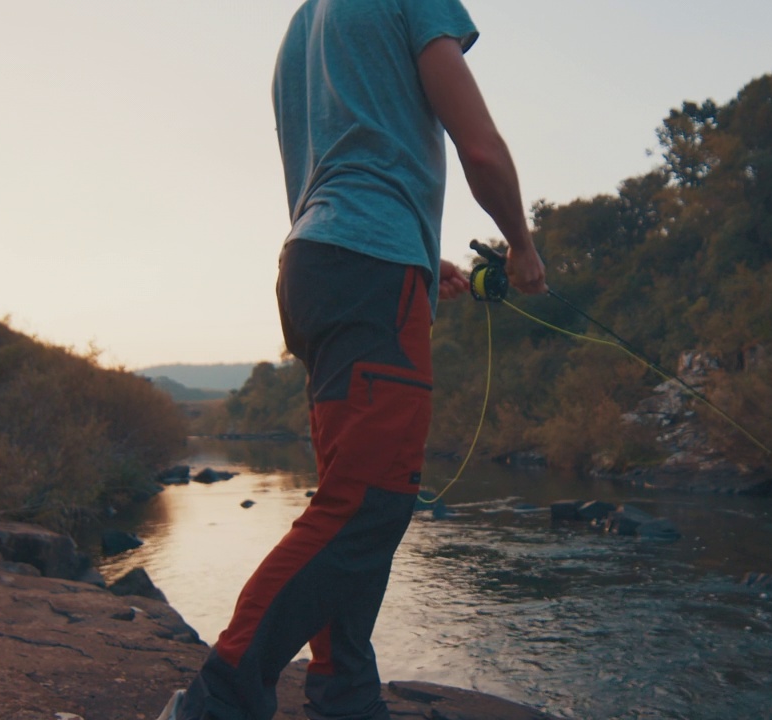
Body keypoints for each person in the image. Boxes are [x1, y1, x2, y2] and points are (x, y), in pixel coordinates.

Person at [158, 0, 545, 718]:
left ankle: (345, 695)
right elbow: (481, 148)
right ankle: (219, 700)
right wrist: (521, 244)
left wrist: (421, 258)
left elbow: (335, 167)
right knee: (369, 503)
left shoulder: (301, 31)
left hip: (317, 266)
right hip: (371, 270)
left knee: (351, 494)